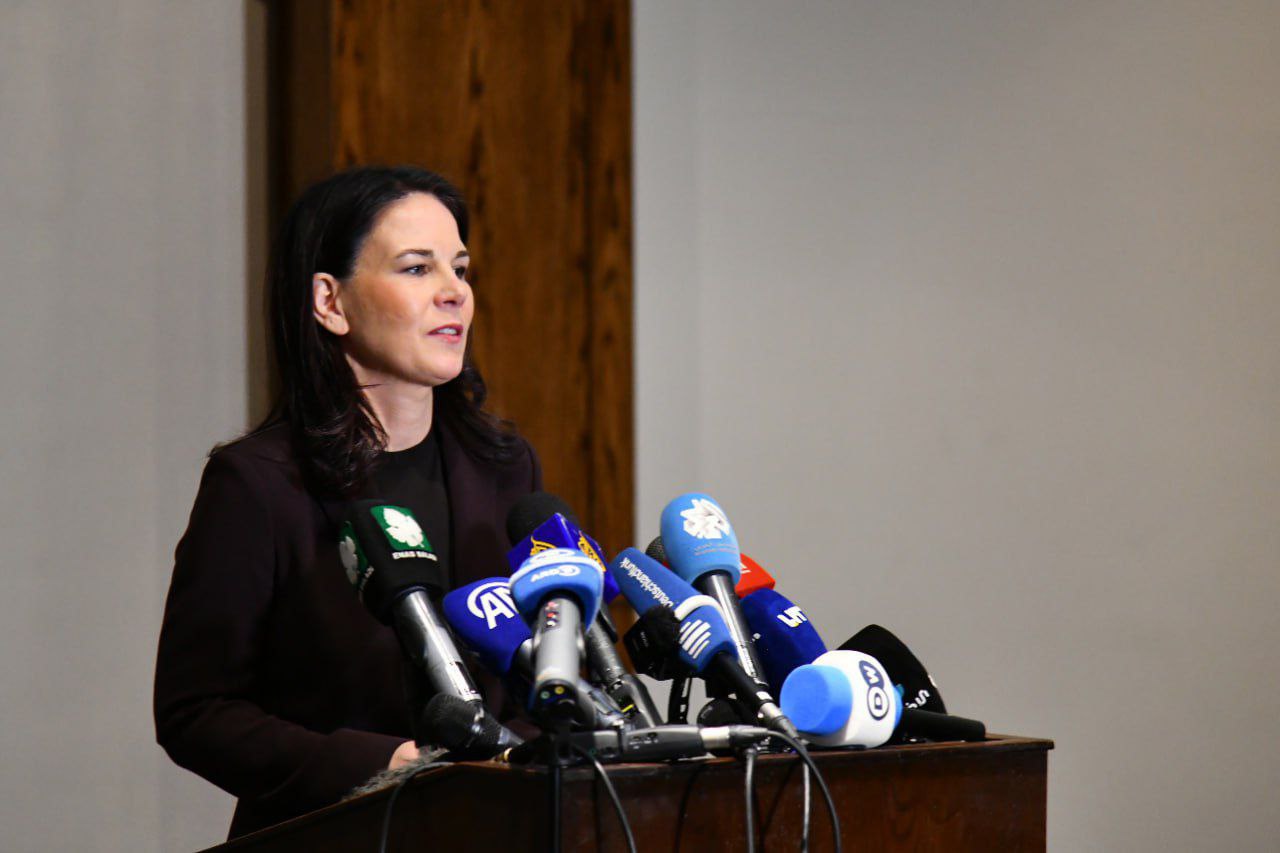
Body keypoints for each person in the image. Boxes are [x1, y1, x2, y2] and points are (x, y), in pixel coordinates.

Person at [153, 165, 542, 839]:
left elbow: (542, 670)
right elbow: (198, 711)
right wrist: (381, 765)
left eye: (460, 268)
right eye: (417, 269)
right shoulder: (259, 484)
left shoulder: (506, 468)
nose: (454, 292)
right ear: (329, 302)